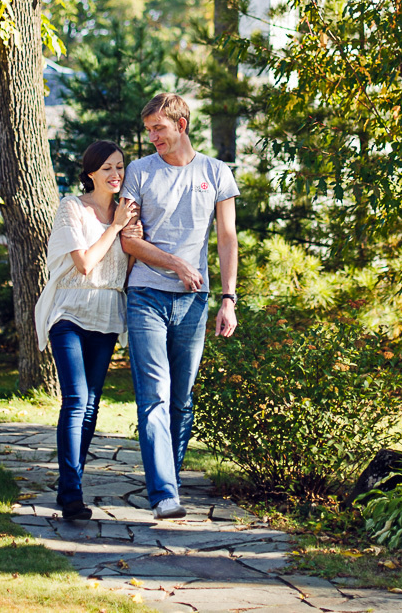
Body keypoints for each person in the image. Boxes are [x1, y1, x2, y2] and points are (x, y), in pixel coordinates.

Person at [119, 92, 239, 520]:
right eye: (149, 130)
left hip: (194, 302)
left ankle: (167, 473)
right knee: (154, 395)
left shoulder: (216, 173)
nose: (152, 137)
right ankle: (164, 492)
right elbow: (129, 238)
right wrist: (175, 265)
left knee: (182, 399)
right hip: (146, 294)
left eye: (159, 129)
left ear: (181, 125)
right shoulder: (139, 172)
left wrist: (229, 298)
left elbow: (227, 238)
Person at [34, 140, 141, 521]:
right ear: (91, 172)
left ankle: (71, 483)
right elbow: (85, 263)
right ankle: (71, 492)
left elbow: (123, 273)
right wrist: (114, 228)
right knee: (76, 399)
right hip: (70, 312)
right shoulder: (72, 208)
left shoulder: (127, 213)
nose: (116, 174)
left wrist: (132, 237)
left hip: (107, 315)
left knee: (92, 405)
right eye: (108, 168)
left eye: (121, 167)